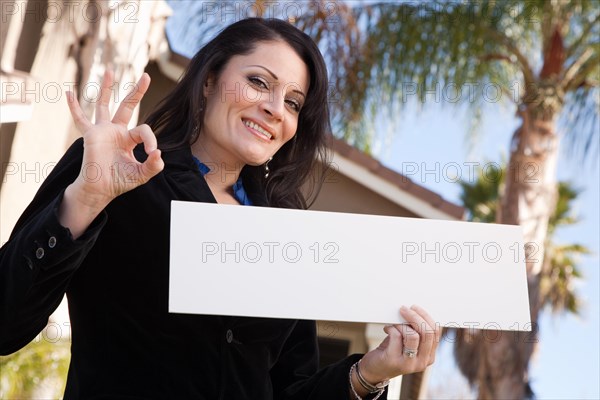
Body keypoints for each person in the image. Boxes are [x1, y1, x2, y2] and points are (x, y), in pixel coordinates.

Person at [0, 18, 441, 399]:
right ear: (208, 80)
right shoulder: (113, 172)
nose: (273, 108)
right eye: (258, 82)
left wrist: (370, 374)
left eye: (292, 102)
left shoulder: (288, 234)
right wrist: (88, 199)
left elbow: (289, 388)